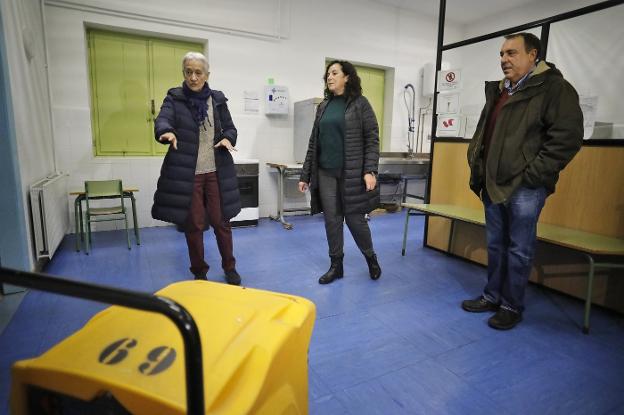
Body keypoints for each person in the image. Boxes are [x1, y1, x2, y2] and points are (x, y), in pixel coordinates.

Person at [462, 33, 583, 329]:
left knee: (518, 248)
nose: (504, 59)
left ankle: (510, 305)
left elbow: (566, 139)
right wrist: (479, 168)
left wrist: (533, 176)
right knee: (495, 245)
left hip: (524, 187)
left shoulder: (554, 88)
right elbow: (485, 133)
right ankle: (492, 296)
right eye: (502, 54)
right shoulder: (501, 91)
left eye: (511, 53)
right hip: (492, 184)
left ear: (533, 55)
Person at [152, 52, 242, 285]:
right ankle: (199, 272)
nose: (193, 77)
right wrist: (166, 131)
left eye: (198, 72)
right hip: (188, 175)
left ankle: (229, 267)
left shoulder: (218, 100)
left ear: (207, 75)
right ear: (184, 73)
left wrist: (228, 139)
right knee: (194, 224)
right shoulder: (174, 98)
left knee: (221, 222)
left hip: (216, 171)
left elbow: (231, 129)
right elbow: (163, 119)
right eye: (188, 72)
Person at [298, 60, 382, 285]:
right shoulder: (323, 106)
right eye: (327, 74)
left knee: (355, 220)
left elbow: (372, 138)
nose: (329, 76)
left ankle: (370, 257)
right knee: (332, 221)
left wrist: (370, 170)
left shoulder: (360, 104)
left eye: (335, 73)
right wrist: (305, 174)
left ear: (347, 77)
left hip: (352, 173)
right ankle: (336, 266)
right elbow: (314, 143)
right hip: (326, 173)